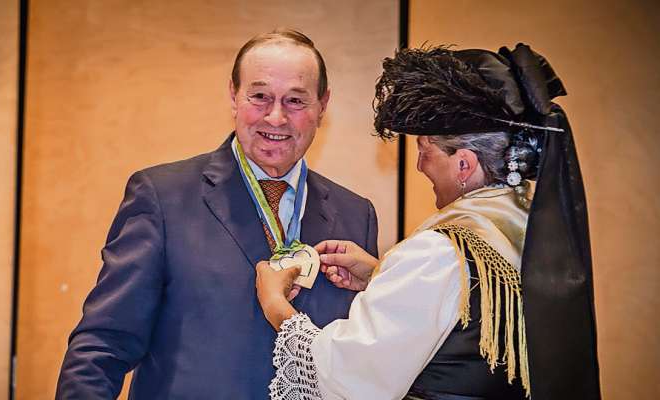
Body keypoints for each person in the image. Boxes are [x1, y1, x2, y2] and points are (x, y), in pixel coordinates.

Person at [256, 45, 601, 400]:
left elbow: (348, 377)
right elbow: (463, 320)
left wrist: (277, 308)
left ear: (463, 165)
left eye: (425, 150)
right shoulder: (528, 227)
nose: (420, 165)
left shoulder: (439, 251)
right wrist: (381, 275)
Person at [56, 29, 378, 399]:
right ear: (233, 96)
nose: (275, 118)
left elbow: (360, 358)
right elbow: (104, 344)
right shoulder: (163, 197)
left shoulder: (356, 215)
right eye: (259, 97)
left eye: (295, 101)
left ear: (323, 106)